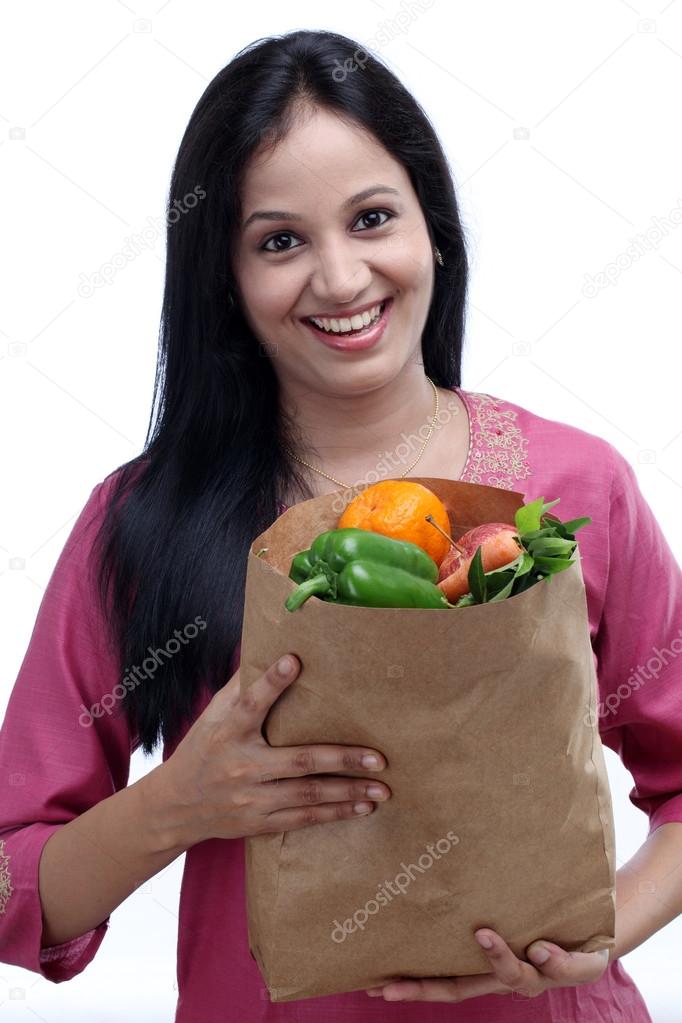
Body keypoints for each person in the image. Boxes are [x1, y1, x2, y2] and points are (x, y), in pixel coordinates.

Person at [1, 27, 681, 1023]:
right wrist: (173, 807)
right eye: (279, 240)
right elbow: (15, 885)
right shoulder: (143, 522)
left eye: (371, 219)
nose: (339, 278)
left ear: (432, 229)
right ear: (223, 278)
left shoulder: (576, 485)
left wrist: (596, 939)